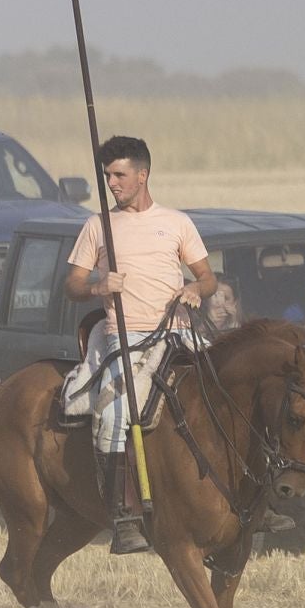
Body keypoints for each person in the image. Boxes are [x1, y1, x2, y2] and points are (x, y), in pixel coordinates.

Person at [62, 135, 217, 555]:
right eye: (107, 175)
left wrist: (195, 288)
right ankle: (123, 518)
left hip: (178, 331)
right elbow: (72, 284)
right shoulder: (98, 226)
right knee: (113, 415)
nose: (111, 183)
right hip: (126, 338)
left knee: (227, 392)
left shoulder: (177, 222)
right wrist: (98, 283)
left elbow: (208, 277)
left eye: (119, 175)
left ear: (142, 175)